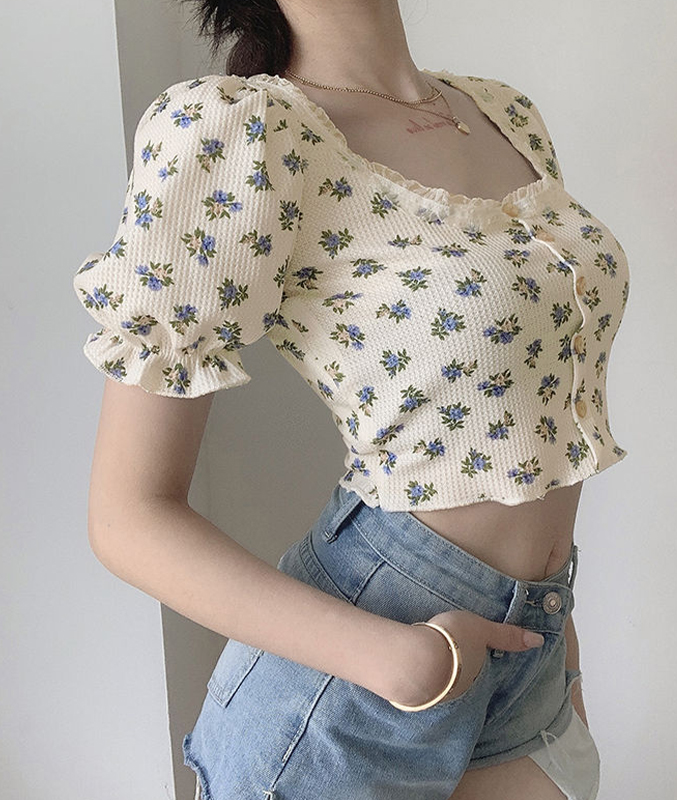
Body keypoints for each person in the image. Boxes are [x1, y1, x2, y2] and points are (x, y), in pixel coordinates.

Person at [72, 1, 630, 798]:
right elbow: (126, 519)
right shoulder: (239, 132)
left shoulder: (503, 114)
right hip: (359, 679)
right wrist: (399, 660)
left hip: (526, 650)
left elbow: (528, 430)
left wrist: (560, 651)